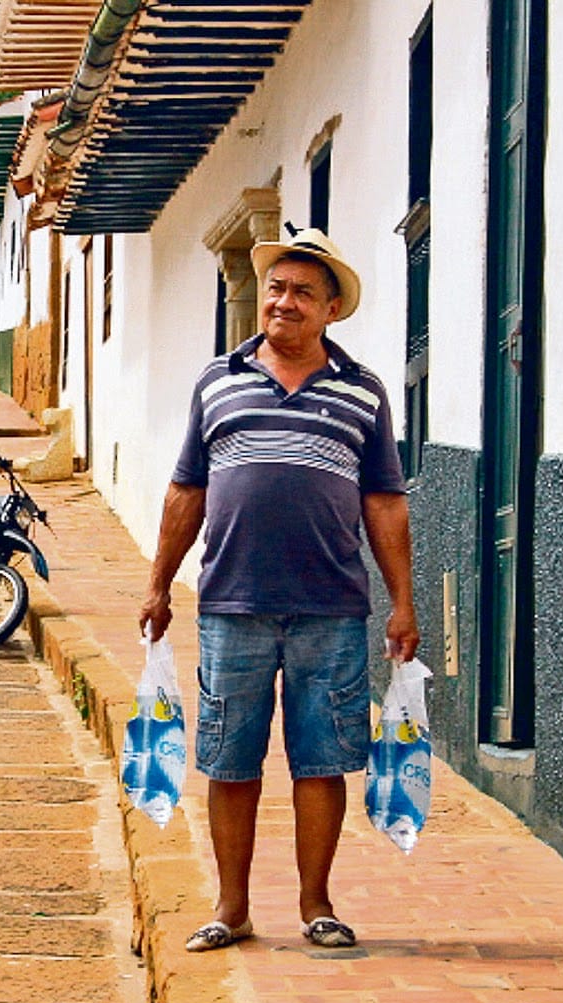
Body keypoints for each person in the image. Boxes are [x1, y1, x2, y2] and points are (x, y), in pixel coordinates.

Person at [137, 227, 419, 952]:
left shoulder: (362, 392)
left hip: (331, 605)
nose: (283, 302)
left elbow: (383, 500)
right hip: (233, 602)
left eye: (301, 293)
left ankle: (316, 905)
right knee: (230, 760)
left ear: (330, 311)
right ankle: (231, 908)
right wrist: (159, 584)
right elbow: (186, 490)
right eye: (275, 289)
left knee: (321, 760)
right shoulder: (219, 381)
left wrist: (404, 600)